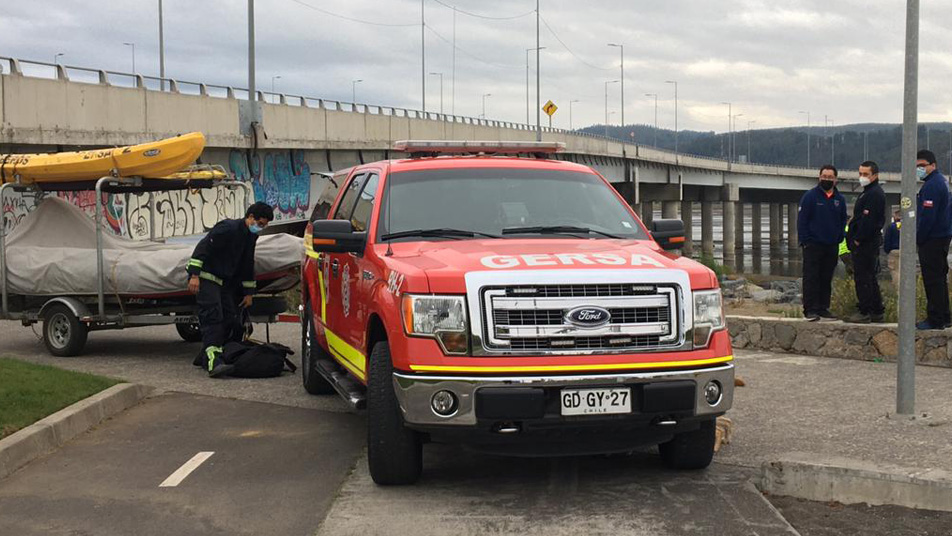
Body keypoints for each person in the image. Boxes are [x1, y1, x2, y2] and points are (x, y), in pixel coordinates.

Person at [187, 202, 274, 376]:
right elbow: (202, 248)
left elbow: (247, 264)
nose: (260, 228)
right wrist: (194, 275)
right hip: (206, 278)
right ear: (250, 218)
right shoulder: (227, 228)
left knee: (231, 318)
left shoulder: (250, 237)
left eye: (264, 226)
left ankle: (205, 355)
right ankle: (214, 363)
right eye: (260, 224)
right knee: (213, 318)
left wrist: (249, 293)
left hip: (224, 283)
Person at [798, 165, 848, 321]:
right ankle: (810, 309)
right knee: (811, 277)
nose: (826, 179)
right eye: (824, 176)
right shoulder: (810, 196)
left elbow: (842, 220)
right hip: (813, 245)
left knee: (826, 278)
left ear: (835, 179)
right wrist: (806, 240)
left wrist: (839, 237)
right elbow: (802, 220)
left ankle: (823, 307)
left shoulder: (840, 199)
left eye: (830, 177)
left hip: (831, 245)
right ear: (819, 177)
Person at [915, 150, 952, 330]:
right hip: (942, 237)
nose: (919, 169)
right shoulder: (942, 182)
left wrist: (919, 238)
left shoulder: (931, 186)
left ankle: (935, 318)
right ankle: (944, 316)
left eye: (922, 166)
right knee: (939, 278)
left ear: (933, 165)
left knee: (932, 280)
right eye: (916, 166)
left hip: (932, 239)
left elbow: (927, 217)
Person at [845, 161, 886, 323]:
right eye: (860, 173)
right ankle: (876, 309)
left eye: (865, 174)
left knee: (863, 278)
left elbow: (868, 221)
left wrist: (857, 239)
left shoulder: (874, 194)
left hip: (865, 243)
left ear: (874, 175)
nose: (862, 177)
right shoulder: (867, 192)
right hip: (866, 242)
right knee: (870, 277)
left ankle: (865, 311)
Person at [883, 209, 901, 285]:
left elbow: (887, 240)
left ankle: (898, 289)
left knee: (894, 270)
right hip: (906, 251)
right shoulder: (908, 227)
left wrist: (887, 250)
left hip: (893, 251)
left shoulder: (891, 227)